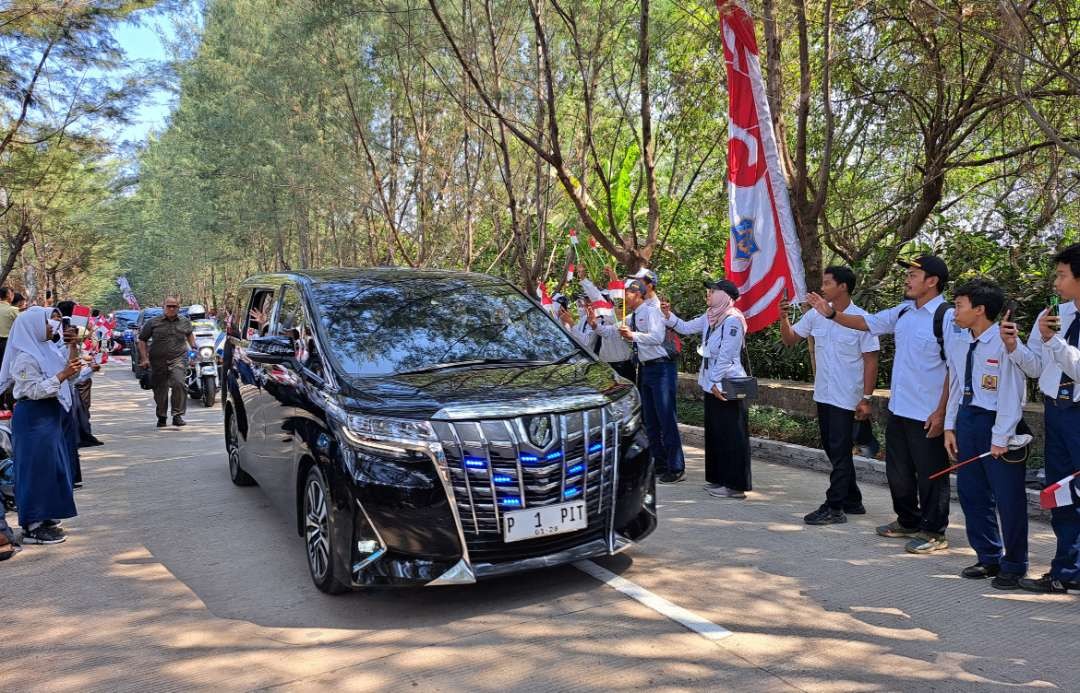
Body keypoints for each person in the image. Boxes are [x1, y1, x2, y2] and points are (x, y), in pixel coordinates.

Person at [806, 254, 954, 554]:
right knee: (897, 472)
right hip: (899, 408)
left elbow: (955, 368)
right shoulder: (903, 312)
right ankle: (908, 520)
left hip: (928, 412)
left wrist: (942, 413)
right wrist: (831, 315)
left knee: (930, 474)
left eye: (914, 274)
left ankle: (934, 531)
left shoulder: (947, 318)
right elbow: (866, 322)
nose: (907, 279)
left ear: (932, 281)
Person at [1003, 243, 1080, 594]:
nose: (1056, 282)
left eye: (1062, 275)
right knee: (1060, 493)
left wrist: (1054, 342)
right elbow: (1036, 367)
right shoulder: (1052, 315)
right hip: (1056, 411)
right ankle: (1065, 570)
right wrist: (1015, 346)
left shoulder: (1056, 328)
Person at [944, 279, 1027, 589]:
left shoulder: (1005, 342)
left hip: (997, 422)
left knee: (1008, 499)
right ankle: (988, 555)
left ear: (979, 309)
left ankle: (1015, 563)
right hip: (968, 419)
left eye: (959, 305)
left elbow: (1012, 393)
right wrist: (950, 426)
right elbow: (955, 384)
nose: (954, 311)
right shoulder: (960, 341)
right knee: (972, 494)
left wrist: (1001, 436)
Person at [781, 266, 880, 524]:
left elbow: (871, 361)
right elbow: (791, 339)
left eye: (827, 283)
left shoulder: (862, 320)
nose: (822, 288)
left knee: (839, 449)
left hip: (847, 397)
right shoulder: (816, 315)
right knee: (834, 449)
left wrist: (866, 398)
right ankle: (852, 500)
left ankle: (834, 507)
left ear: (843, 286)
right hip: (823, 394)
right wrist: (783, 319)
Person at [662, 278, 751, 498]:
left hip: (726, 385)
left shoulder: (732, 320)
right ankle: (719, 479)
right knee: (717, 433)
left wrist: (714, 382)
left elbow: (726, 355)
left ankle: (735, 485)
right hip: (712, 385)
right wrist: (667, 315)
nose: (708, 295)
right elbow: (684, 327)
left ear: (724, 296)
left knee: (732, 435)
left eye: (713, 291)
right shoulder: (711, 317)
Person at [0, 307, 82, 545]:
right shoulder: (25, 357)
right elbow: (32, 390)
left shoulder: (47, 351)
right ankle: (32, 525)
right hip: (33, 416)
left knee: (52, 467)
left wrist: (73, 347)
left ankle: (47, 516)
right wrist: (63, 375)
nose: (53, 327)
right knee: (34, 470)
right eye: (49, 323)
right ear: (33, 326)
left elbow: (73, 375)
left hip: (50, 415)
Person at [619, 280, 685, 483]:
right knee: (650, 420)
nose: (624, 298)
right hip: (646, 369)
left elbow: (657, 337)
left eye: (627, 293)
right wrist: (596, 323)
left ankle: (676, 467)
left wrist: (633, 336)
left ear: (638, 293)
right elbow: (612, 330)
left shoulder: (652, 311)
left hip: (662, 368)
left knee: (666, 417)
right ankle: (659, 463)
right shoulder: (632, 316)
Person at [138, 297, 195, 428]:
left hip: (178, 359)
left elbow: (189, 334)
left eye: (174, 306)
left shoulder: (185, 322)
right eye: (168, 306)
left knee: (179, 383)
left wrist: (194, 347)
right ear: (163, 307)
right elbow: (142, 340)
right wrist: (144, 358)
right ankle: (162, 416)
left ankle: (177, 415)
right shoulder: (153, 322)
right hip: (157, 361)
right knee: (160, 389)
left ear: (178, 308)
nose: (171, 308)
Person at [579, 266, 635, 381]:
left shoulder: (630, 319)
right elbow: (596, 296)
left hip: (624, 366)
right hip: (607, 365)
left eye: (621, 305)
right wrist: (583, 278)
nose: (618, 306)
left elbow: (609, 330)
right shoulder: (609, 315)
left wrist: (614, 280)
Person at [0, 287, 19, 409]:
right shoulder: (13, 310)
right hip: (7, 344)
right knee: (9, 372)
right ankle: (9, 402)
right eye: (11, 293)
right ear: (8, 295)